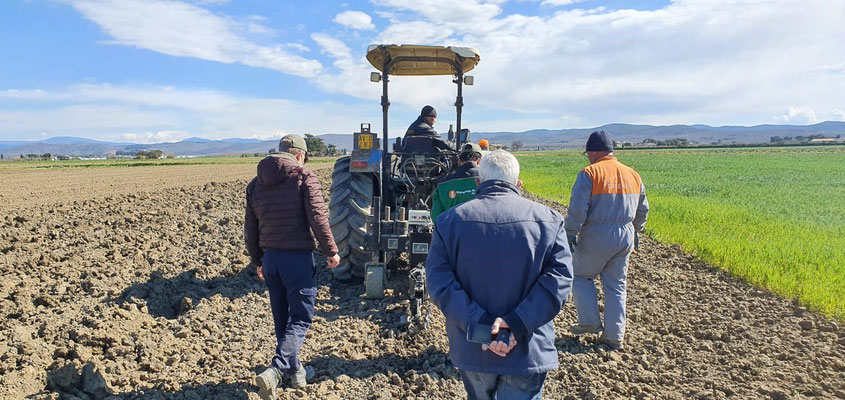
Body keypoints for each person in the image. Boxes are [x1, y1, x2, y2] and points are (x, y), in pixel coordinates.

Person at [426, 150, 574, 400]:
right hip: (527, 351)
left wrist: (485, 327)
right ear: (518, 184)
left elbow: (439, 282)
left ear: (478, 183)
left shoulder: (449, 221)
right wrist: (514, 325)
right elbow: (559, 281)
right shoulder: (550, 220)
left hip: (474, 350)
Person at [244, 134, 341, 399]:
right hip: (297, 259)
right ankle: (276, 370)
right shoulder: (302, 177)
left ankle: (297, 373)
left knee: (283, 321)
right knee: (300, 319)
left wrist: (258, 261)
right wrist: (331, 251)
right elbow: (318, 216)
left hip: (272, 260)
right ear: (299, 155)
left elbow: (250, 229)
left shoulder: (255, 184)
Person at [565, 130, 649, 350]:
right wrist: (636, 230)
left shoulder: (590, 173)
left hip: (597, 234)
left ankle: (589, 321)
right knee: (617, 286)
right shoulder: (633, 174)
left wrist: (570, 233)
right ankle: (614, 336)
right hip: (625, 235)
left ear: (592, 152)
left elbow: (577, 209)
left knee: (580, 276)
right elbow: (643, 209)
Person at [430, 142, 482, 222]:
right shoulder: (486, 181)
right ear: (479, 161)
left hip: (452, 233)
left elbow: (436, 218)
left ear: (460, 161)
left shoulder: (442, 184)